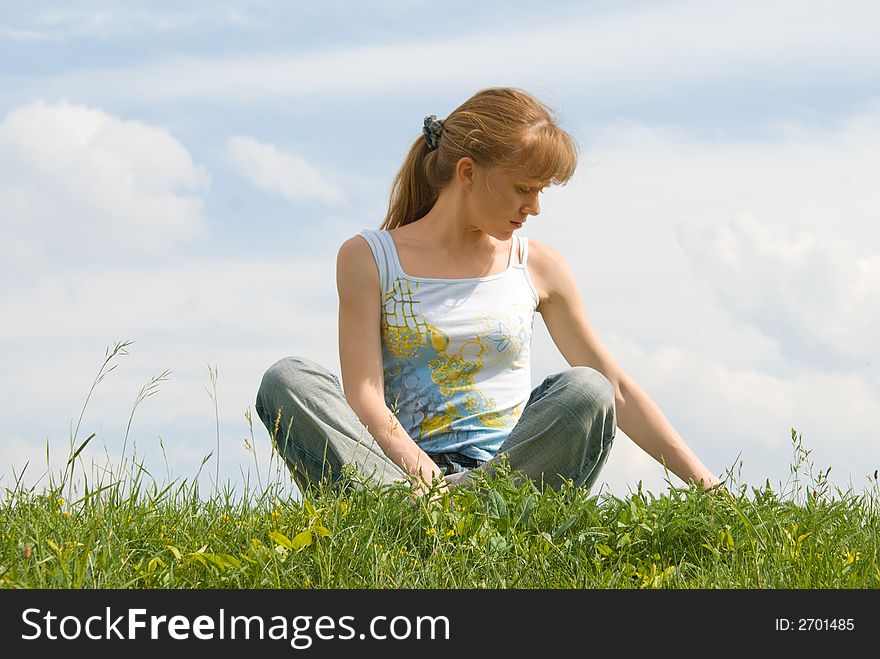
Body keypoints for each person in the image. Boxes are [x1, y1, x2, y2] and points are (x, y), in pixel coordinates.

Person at [255, 87, 721, 500]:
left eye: (541, 192)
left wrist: (710, 490)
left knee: (588, 388)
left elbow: (615, 389)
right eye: (523, 188)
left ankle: (471, 510)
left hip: (508, 478)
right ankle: (404, 509)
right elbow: (364, 393)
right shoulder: (368, 257)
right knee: (287, 379)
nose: (534, 207)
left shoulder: (538, 265)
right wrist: (423, 477)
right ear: (467, 172)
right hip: (399, 475)